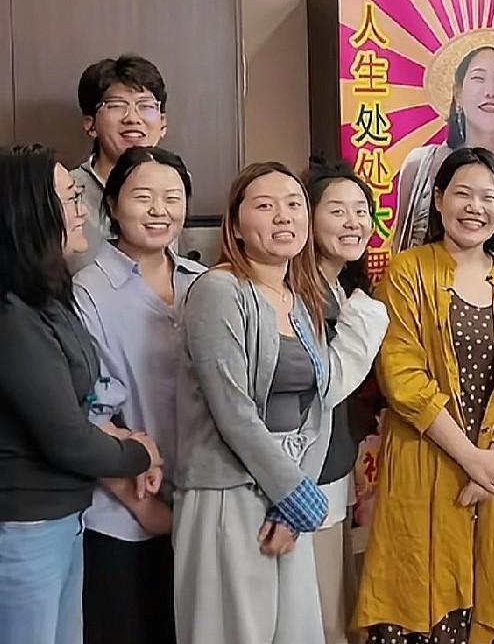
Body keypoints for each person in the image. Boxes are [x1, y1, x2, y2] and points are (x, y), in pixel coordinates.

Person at [173, 162, 388, 644]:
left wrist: (295, 499)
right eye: (265, 206)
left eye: (293, 204)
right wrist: (293, 495)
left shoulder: (300, 296)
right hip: (228, 491)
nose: (283, 216)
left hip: (288, 493)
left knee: (295, 631)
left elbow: (319, 405)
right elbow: (232, 411)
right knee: (235, 631)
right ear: (235, 225)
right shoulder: (218, 291)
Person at [354, 147, 494, 644]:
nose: (474, 207)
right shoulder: (405, 272)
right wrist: (471, 459)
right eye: (463, 194)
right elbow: (402, 377)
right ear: (438, 199)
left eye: (489, 197)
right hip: (427, 460)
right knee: (422, 591)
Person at [0, 144, 161, 644]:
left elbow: (86, 400)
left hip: (63, 516)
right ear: (31, 211)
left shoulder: (48, 297)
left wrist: (122, 437)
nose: (81, 211)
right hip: (24, 527)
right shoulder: (11, 314)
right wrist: (140, 453)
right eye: (70, 198)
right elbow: (66, 437)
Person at [73, 147, 205, 644]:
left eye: (173, 198)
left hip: (197, 509)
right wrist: (144, 508)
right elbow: (83, 414)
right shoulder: (87, 291)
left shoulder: (204, 284)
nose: (159, 210)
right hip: (122, 516)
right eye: (143, 197)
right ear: (112, 203)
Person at [305, 158, 381, 644]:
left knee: (338, 604)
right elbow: (325, 386)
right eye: (337, 210)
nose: (353, 222)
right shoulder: (298, 292)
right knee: (321, 614)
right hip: (307, 477)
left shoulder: (341, 287)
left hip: (336, 469)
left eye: (361, 210)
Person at [394, 31, 494, 252]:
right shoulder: (419, 163)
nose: (490, 92)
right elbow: (399, 241)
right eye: (479, 78)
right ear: (458, 94)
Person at [69, 55, 169, 270]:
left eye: (145, 105)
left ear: (162, 124)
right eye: (116, 105)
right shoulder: (66, 192)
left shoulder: (173, 187)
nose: (132, 118)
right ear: (91, 124)